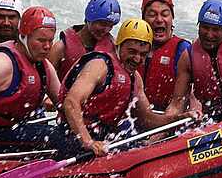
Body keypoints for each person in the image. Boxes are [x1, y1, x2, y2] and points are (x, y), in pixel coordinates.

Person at [58, 18, 194, 157]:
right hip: (73, 135)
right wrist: (88, 142)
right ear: (119, 45)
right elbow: (71, 102)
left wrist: (178, 119)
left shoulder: (135, 79)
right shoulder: (100, 66)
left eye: (143, 54)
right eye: (132, 51)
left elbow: (146, 119)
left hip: (105, 137)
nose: (137, 59)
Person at [0, 6, 66, 163]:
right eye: (41, 41)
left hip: (14, 128)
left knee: (68, 134)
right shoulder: (2, 63)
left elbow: (65, 105)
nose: (47, 46)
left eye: (50, 40)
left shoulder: (45, 66)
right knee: (59, 140)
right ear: (23, 37)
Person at [137, 0, 198, 114]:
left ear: (172, 18)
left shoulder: (183, 50)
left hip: (170, 116)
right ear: (143, 19)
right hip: (135, 117)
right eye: (152, 15)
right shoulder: (133, 48)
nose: (159, 20)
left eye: (165, 14)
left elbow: (193, 93)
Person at [48, 0, 121, 81]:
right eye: (102, 24)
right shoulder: (61, 48)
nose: (106, 30)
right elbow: (46, 80)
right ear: (89, 18)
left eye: (111, 26)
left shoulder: (113, 47)